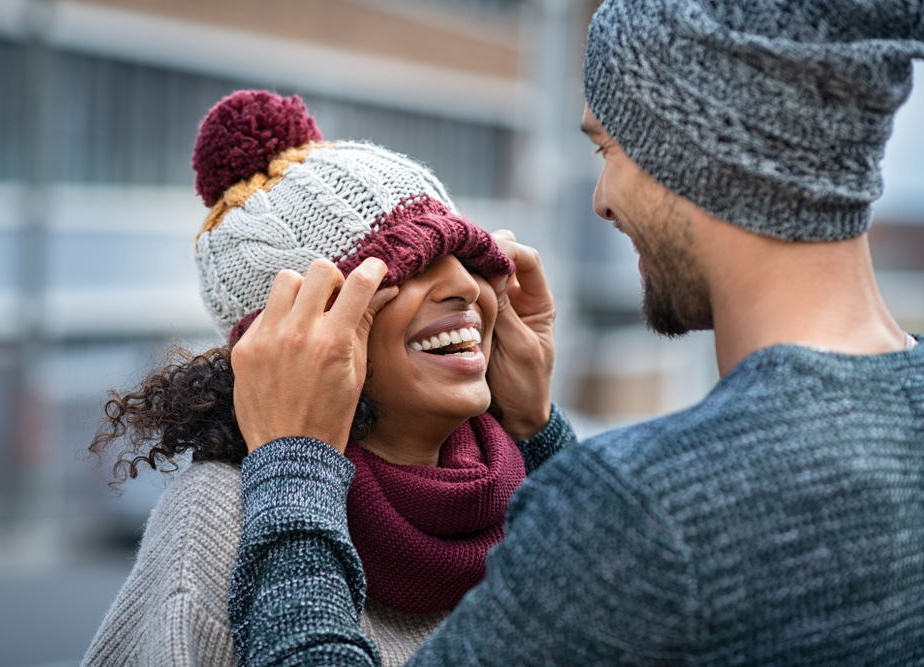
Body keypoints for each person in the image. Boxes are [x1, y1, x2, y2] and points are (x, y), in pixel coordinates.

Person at [226, 0, 924, 664]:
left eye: (606, 150)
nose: (603, 201)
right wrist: (538, 430)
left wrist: (292, 467)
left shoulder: (644, 508)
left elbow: (637, 546)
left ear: (690, 147)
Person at [80, 90, 561, 667]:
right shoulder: (221, 516)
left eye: (468, 255)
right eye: (413, 263)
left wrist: (538, 431)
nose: (464, 284)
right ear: (299, 340)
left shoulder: (530, 489)